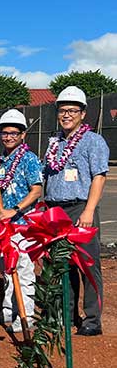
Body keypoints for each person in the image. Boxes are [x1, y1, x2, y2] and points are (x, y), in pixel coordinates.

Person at [44, 86, 108, 336]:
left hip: (81, 208)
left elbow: (99, 177)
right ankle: (66, 314)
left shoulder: (93, 141)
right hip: (56, 211)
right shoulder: (55, 142)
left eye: (72, 110)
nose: (66, 115)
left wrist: (89, 211)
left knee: (88, 266)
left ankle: (92, 319)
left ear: (83, 113)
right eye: (62, 110)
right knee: (63, 265)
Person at [0, 109, 42, 333]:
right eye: (5, 133)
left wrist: (14, 210)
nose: (8, 137)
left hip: (24, 224)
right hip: (5, 226)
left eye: (13, 133)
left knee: (24, 270)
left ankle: (25, 314)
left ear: (22, 135)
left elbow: (36, 190)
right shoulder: (1, 160)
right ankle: (9, 310)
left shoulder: (29, 159)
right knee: (7, 269)